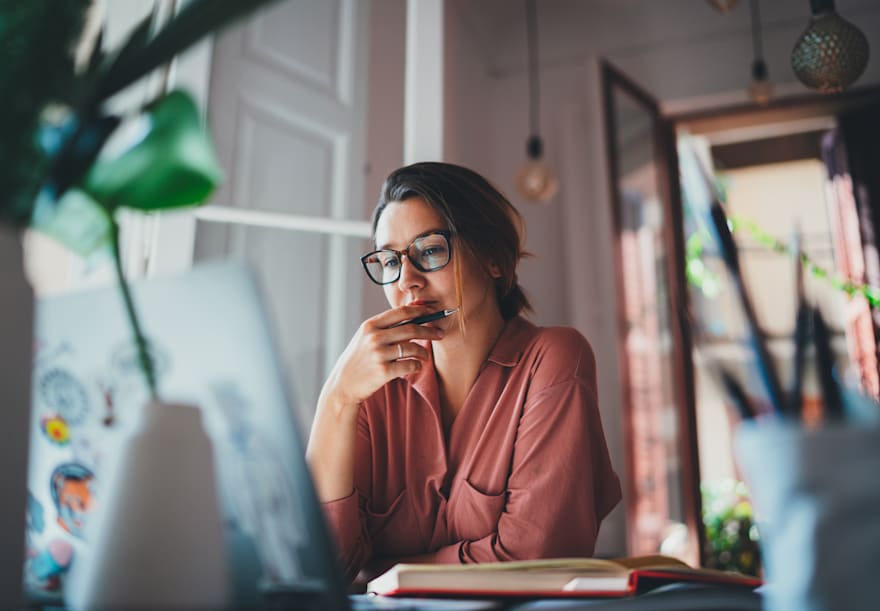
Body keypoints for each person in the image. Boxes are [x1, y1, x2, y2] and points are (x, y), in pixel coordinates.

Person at [306, 162, 621, 583]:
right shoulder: (370, 388)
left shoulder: (554, 359)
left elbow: (535, 559)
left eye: (430, 250)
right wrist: (337, 398)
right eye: (389, 261)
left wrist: (381, 571)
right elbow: (322, 567)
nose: (408, 282)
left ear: (492, 257)